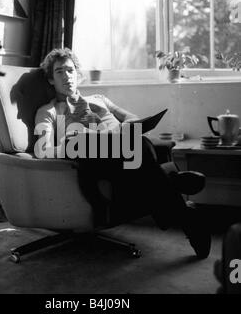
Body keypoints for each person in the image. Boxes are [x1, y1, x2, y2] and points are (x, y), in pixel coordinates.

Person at [34, 48, 211, 259]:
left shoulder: (99, 99)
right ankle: (175, 192)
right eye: (59, 72)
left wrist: (124, 127)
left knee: (142, 144)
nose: (67, 76)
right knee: (140, 147)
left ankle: (173, 204)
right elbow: (42, 149)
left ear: (78, 74)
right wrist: (71, 144)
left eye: (70, 70)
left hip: (122, 154)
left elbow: (131, 117)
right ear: (51, 79)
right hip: (90, 158)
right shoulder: (49, 111)